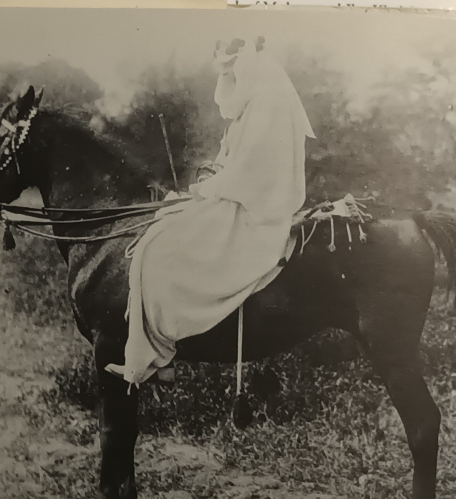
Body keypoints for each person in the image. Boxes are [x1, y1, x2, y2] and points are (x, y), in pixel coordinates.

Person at [110, 37, 315, 385]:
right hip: (239, 198)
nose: (230, 78)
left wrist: (208, 188)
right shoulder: (255, 104)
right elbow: (236, 161)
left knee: (158, 248)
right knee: (162, 228)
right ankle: (157, 355)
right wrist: (214, 175)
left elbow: (253, 174)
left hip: (255, 211)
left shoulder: (269, 103)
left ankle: (156, 353)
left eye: (233, 69)